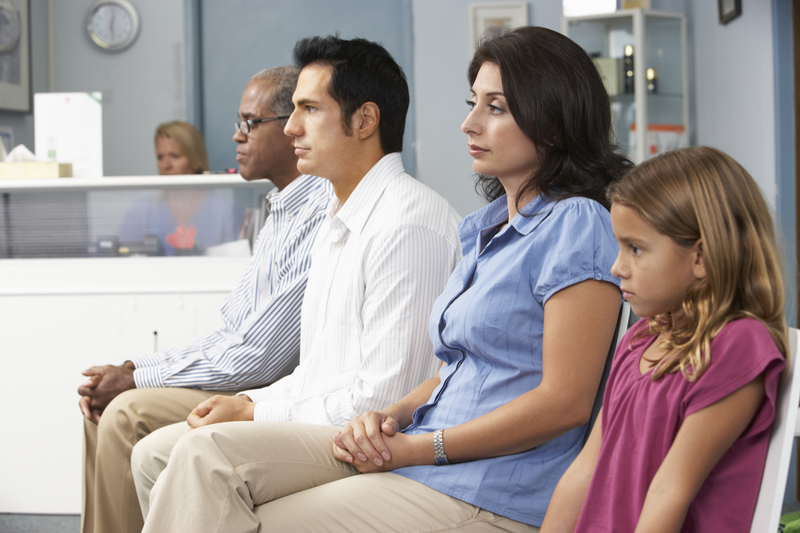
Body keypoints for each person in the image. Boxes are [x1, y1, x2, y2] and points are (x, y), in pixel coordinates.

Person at [140, 27, 628, 532]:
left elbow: (564, 401)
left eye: (496, 108)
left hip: (489, 490)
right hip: (429, 464)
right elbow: (454, 372)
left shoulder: (575, 222)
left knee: (227, 487)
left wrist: (418, 446)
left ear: (552, 120)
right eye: (472, 103)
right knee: (223, 498)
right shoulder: (483, 229)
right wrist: (389, 418)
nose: (468, 123)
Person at [77, 65, 333, 533]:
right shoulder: (277, 210)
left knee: (123, 412)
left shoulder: (319, 211)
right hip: (247, 377)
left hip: (267, 392)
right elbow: (231, 333)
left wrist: (137, 381)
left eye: (250, 123)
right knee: (103, 405)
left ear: (293, 128)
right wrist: (135, 369)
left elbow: (258, 358)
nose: (237, 137)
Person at [540, 147, 788, 533]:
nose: (617, 266)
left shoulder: (739, 345)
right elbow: (586, 468)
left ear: (701, 257)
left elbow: (669, 491)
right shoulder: (641, 336)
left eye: (635, 249)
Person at [117, 121, 237, 255]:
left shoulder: (223, 211)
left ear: (196, 160)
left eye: (175, 156)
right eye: (160, 157)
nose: (166, 165)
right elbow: (122, 259)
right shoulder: (140, 211)